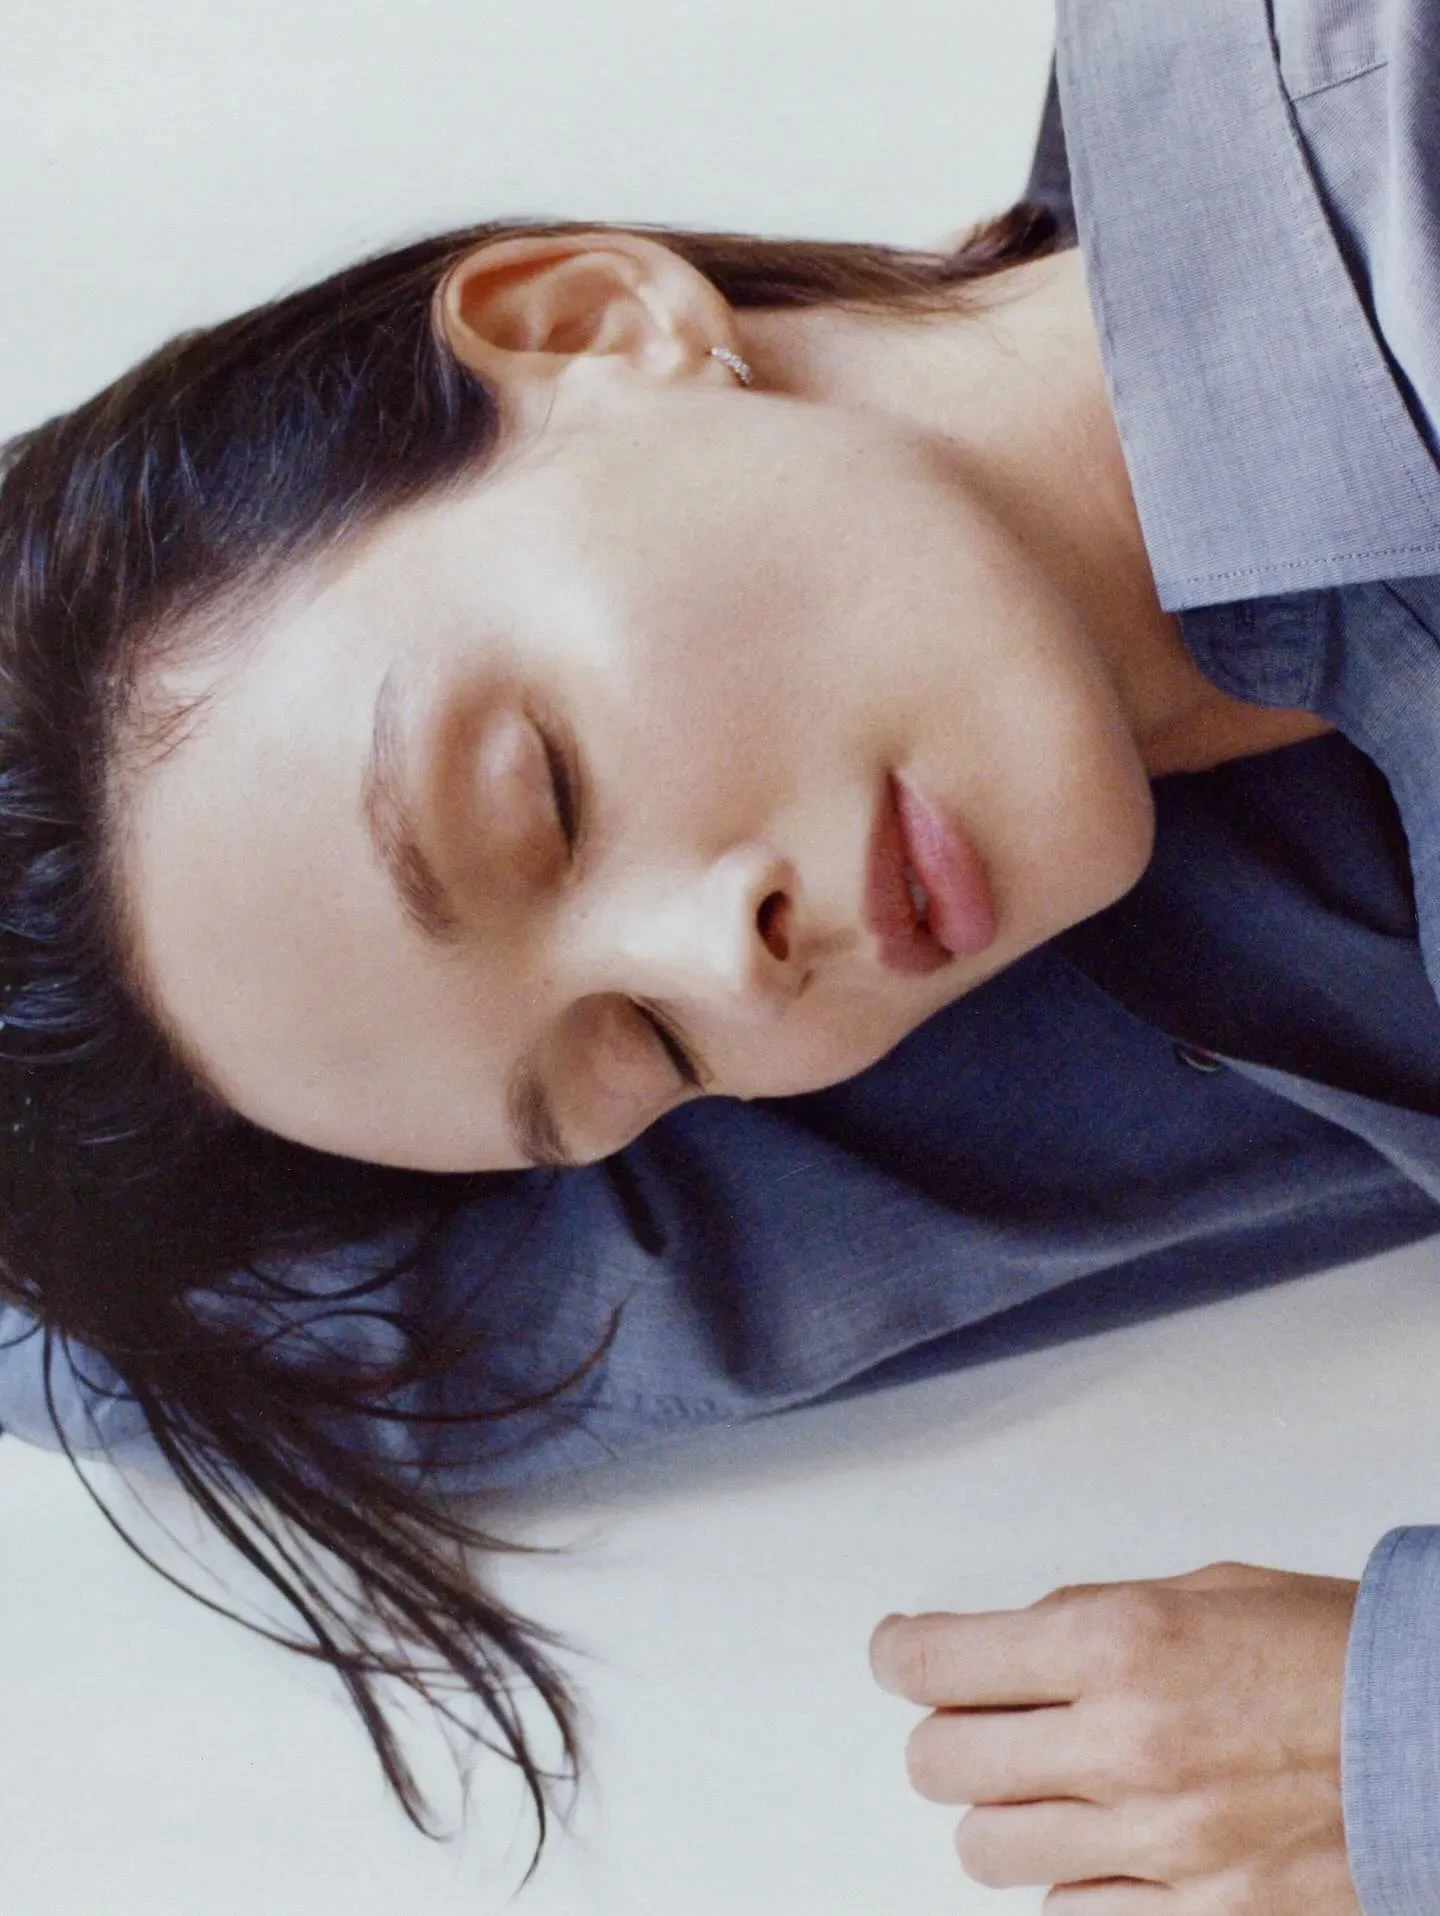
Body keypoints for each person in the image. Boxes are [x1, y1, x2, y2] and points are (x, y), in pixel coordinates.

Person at [1, 0, 1438, 1903]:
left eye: (542, 795)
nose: (728, 965)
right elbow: (135, 1338)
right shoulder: (1219, 895)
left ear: (591, 322)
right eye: (641, 1054)